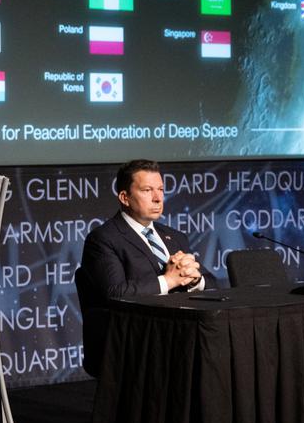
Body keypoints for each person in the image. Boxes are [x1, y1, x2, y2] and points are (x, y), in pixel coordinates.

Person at [76, 159, 207, 375]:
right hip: (134, 342)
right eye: (147, 190)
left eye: (161, 190)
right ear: (124, 197)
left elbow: (212, 281)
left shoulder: (175, 237)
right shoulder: (103, 239)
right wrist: (170, 280)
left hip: (181, 335)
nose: (157, 198)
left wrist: (194, 279)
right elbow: (115, 292)